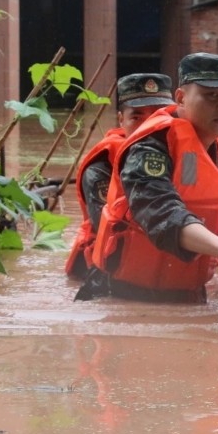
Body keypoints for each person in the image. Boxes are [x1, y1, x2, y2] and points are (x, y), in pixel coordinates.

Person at [78, 53, 218, 303]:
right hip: (122, 295)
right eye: (212, 95)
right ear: (180, 98)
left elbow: (208, 200)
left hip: (185, 291)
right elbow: (161, 212)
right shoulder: (150, 148)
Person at [65, 72, 176, 279]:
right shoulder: (100, 166)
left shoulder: (182, 152)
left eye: (157, 116)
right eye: (137, 117)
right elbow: (110, 230)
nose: (148, 126)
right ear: (121, 120)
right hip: (108, 268)